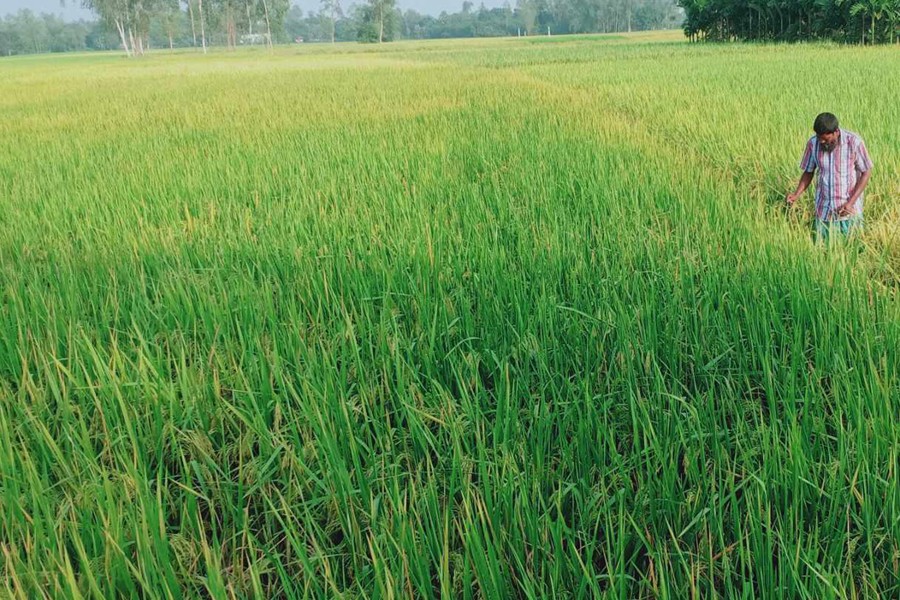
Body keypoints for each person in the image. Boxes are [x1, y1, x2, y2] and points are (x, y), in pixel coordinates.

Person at [786, 112, 873, 241]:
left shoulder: (854, 142)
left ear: (836, 132)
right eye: (819, 138)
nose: (821, 142)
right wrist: (797, 194)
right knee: (822, 254)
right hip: (823, 211)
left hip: (849, 212)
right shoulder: (813, 144)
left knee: (852, 252)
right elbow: (808, 172)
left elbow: (866, 171)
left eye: (826, 139)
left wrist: (851, 203)